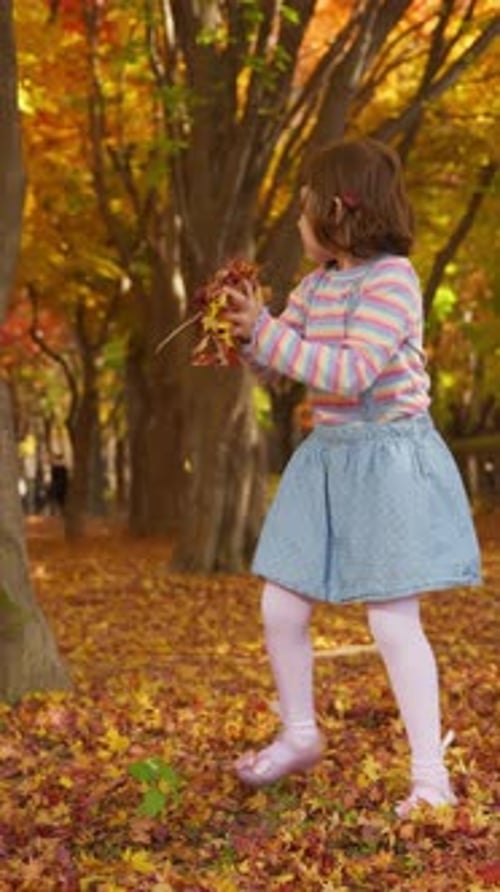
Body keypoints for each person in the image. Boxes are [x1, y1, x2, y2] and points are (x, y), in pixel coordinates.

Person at [227, 137, 481, 816]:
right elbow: (283, 369)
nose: (298, 223)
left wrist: (270, 334)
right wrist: (247, 337)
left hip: (389, 463)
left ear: (340, 212)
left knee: (393, 621)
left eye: (306, 210)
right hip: (329, 458)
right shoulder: (314, 287)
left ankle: (430, 777)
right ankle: (300, 732)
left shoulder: (393, 280)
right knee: (280, 605)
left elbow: (349, 371)